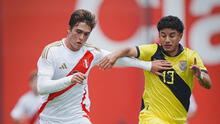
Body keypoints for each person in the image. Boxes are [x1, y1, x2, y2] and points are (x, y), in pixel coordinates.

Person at [36, 9, 171, 124]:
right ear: (69, 29)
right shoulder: (51, 51)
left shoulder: (91, 52)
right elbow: (42, 87)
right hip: (49, 118)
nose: (81, 37)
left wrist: (148, 65)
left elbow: (117, 59)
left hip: (77, 117)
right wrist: (70, 79)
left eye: (86, 34)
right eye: (78, 31)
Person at [99, 15, 212, 124]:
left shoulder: (191, 57)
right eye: (163, 35)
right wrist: (114, 55)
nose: (167, 40)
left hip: (179, 120)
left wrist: (199, 76)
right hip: (151, 117)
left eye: (172, 36)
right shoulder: (152, 51)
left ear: (180, 36)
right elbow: (129, 50)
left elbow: (208, 84)